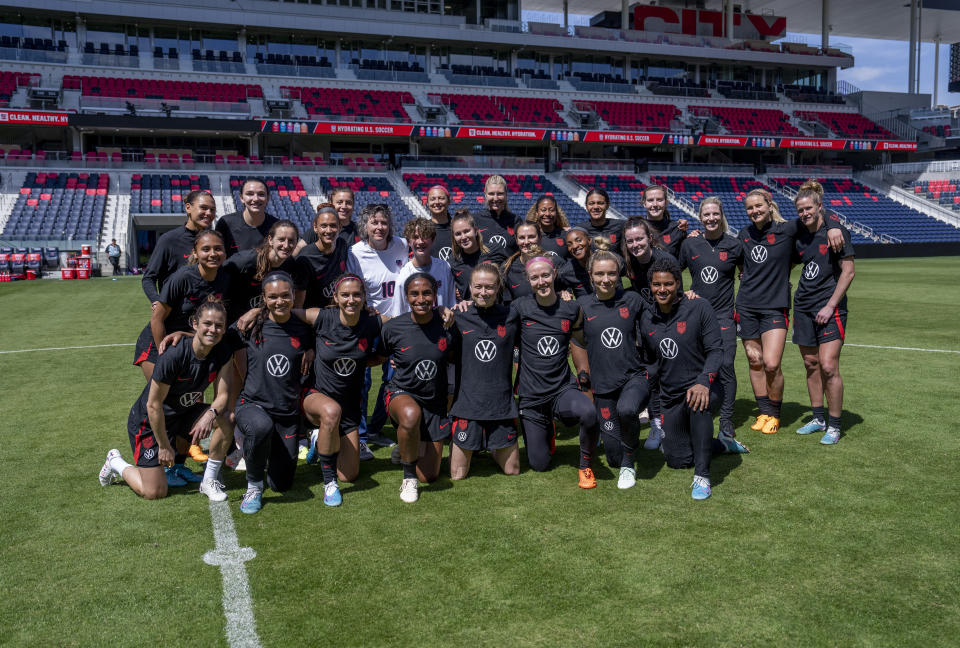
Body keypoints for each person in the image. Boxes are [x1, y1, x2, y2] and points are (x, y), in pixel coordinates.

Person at [99, 298, 236, 501]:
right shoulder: (174, 355)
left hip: (182, 413)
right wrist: (164, 446)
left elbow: (223, 395)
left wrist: (210, 414)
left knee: (225, 418)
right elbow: (153, 405)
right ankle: (116, 462)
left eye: (219, 326)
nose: (213, 330)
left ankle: (208, 481)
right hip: (149, 420)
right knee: (155, 492)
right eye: (207, 324)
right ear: (195, 324)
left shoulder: (223, 352)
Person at [736, 188, 843, 436]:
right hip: (746, 306)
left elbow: (816, 214)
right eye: (749, 208)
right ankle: (763, 412)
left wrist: (834, 226)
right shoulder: (744, 234)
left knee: (772, 364)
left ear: (769, 204)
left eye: (758, 206)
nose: (754, 211)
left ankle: (774, 413)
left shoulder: (787, 229)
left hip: (775, 306)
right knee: (755, 361)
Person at [133, 229, 232, 473]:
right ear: (195, 253)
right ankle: (160, 454)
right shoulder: (182, 277)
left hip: (189, 343)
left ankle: (177, 465)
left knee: (186, 403)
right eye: (206, 249)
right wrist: (164, 355)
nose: (212, 254)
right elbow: (157, 319)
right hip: (162, 344)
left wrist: (187, 337)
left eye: (217, 249)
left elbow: (206, 325)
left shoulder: (224, 279)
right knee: (166, 403)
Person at [639, 257, 722, 500]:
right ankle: (720, 444)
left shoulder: (699, 307)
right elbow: (650, 364)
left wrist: (704, 380)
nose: (662, 289)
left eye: (668, 284)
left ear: (678, 283)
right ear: (651, 286)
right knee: (677, 460)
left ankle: (702, 477)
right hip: (671, 397)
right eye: (656, 285)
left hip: (704, 386)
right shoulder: (647, 318)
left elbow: (716, 350)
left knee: (699, 404)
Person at [231, 271, 314, 514]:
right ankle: (253, 485)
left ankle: (266, 452)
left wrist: (310, 349)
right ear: (264, 299)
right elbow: (211, 335)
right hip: (253, 404)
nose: (280, 301)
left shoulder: (303, 328)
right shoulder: (250, 325)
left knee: (281, 485)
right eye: (273, 297)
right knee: (259, 427)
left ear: (293, 295)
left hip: (287, 415)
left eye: (285, 296)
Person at [511, 256, 597, 486]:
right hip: (531, 396)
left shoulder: (570, 309)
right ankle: (546, 428)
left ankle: (585, 465)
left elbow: (579, 344)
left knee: (588, 413)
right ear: (528, 281)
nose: (541, 281)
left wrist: (584, 379)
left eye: (545, 275)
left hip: (561, 389)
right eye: (535, 277)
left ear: (554, 274)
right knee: (539, 465)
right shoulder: (520, 307)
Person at [300, 273, 384, 504]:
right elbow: (284, 312)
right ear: (335, 297)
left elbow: (404, 324)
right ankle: (329, 484)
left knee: (350, 475)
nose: (351, 300)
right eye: (345, 295)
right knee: (330, 412)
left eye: (357, 295)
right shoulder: (322, 317)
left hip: (349, 409)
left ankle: (321, 441)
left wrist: (439, 313)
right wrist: (308, 346)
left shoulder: (371, 321)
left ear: (365, 297)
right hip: (316, 398)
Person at [573, 249, 650, 489]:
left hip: (633, 377)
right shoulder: (581, 306)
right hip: (603, 386)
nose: (606, 279)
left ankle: (629, 465)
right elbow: (575, 340)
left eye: (611, 274)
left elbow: (661, 316)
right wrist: (583, 374)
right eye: (600, 274)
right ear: (590, 275)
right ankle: (623, 458)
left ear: (619, 275)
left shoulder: (633, 300)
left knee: (627, 410)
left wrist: (685, 295)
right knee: (613, 456)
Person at [380, 273, 455, 503]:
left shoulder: (447, 325)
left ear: (435, 295)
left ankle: (406, 446)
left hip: (434, 401)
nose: (420, 299)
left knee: (430, 475)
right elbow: (379, 356)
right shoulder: (393, 328)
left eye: (426, 293)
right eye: (414, 293)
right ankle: (408, 477)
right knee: (411, 415)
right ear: (406, 296)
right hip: (402, 393)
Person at [791, 180, 856, 445]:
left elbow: (848, 272)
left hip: (830, 308)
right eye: (800, 210)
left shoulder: (836, 232)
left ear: (819, 207)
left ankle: (835, 425)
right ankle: (818, 419)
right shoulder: (798, 233)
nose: (805, 213)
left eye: (809, 208)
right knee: (811, 365)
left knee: (829, 366)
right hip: (803, 306)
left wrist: (830, 305)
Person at [679, 198, 743, 442]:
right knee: (697, 366)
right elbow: (674, 272)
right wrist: (683, 291)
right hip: (698, 315)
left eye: (715, 213)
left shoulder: (735, 245)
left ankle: (726, 420)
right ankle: (695, 408)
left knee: (726, 365)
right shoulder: (691, 244)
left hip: (724, 315)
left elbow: (748, 273)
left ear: (721, 214)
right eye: (707, 214)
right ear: (700, 217)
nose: (711, 218)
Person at [346, 204, 408, 453]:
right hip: (368, 325)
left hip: (399, 325)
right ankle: (360, 435)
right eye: (374, 222)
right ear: (365, 226)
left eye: (383, 222)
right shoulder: (355, 252)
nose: (379, 227)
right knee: (362, 380)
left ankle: (375, 428)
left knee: (393, 380)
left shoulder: (402, 245)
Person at [449, 264, 520, 479]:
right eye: (478, 287)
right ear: (469, 287)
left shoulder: (511, 315)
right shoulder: (457, 316)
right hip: (468, 404)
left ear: (498, 288)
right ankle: (478, 442)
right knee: (458, 475)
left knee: (513, 470)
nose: (483, 292)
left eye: (489, 287)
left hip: (501, 405)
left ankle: (492, 446)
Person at [621, 217, 676, 450]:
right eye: (630, 241)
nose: (635, 244)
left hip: (667, 326)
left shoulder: (665, 260)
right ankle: (656, 426)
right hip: (644, 329)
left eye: (639, 239)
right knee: (651, 380)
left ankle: (671, 428)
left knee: (670, 379)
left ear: (649, 238)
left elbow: (676, 297)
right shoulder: (629, 262)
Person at [141, 189, 215, 306]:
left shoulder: (214, 240)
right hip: (175, 318)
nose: (209, 213)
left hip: (205, 316)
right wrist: (157, 302)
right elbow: (148, 278)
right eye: (204, 208)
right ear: (188, 208)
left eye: (212, 209)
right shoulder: (169, 240)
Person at [222, 220, 305, 322]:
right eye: (281, 239)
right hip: (236, 323)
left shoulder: (291, 265)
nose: (286, 245)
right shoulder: (245, 261)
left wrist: (256, 311)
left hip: (265, 321)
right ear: (270, 240)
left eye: (291, 240)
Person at [296, 204, 350, 309]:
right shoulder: (305, 258)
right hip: (315, 317)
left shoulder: (342, 245)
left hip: (338, 311)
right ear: (315, 228)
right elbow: (298, 304)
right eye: (324, 226)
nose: (328, 231)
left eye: (333, 226)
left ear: (339, 227)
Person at [395, 218, 456, 310]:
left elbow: (452, 304)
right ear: (408, 242)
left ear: (432, 239)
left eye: (425, 236)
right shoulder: (404, 275)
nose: (420, 241)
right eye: (415, 237)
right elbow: (398, 314)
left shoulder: (444, 267)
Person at [448, 209, 507, 302]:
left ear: (475, 231)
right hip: (470, 314)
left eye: (467, 231)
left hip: (497, 311)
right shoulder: (453, 261)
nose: (463, 237)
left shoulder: (495, 250)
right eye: (458, 234)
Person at [216, 178, 278, 256]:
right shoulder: (225, 224)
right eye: (250, 194)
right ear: (241, 198)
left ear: (268, 198)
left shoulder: (276, 226)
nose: (255, 199)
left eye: (261, 194)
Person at [501, 222, 559, 304]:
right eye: (521, 238)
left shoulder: (554, 262)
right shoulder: (507, 268)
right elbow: (507, 304)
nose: (526, 242)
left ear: (540, 238)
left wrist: (565, 293)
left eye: (531, 237)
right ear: (516, 240)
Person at [474, 175, 520, 255]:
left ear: (506, 194)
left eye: (500, 194)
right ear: (485, 195)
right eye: (491, 194)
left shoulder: (516, 221)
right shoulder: (475, 220)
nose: (495, 198)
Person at [641, 184, 688, 258]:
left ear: (666, 203)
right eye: (650, 200)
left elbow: (683, 260)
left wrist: (693, 235)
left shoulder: (677, 228)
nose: (655, 204)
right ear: (644, 203)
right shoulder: (637, 228)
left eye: (659, 200)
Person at [525, 195, 570, 260]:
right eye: (543, 210)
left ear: (556, 212)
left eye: (551, 210)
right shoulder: (530, 237)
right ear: (537, 213)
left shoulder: (565, 235)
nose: (547, 214)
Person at [424, 185, 454, 261]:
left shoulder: (458, 228)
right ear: (427, 203)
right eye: (432, 199)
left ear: (449, 201)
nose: (437, 202)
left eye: (441, 198)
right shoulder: (423, 229)